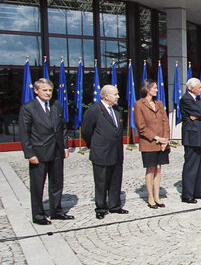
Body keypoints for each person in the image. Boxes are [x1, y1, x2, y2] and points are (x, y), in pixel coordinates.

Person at [18, 78, 73, 225]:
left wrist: (65, 146)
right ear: (36, 91)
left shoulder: (56, 105)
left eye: (50, 90)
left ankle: (56, 211)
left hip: (56, 151)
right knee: (38, 186)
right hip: (39, 152)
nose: (48, 93)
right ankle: (38, 215)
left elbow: (62, 128)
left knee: (57, 183)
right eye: (44, 90)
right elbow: (24, 133)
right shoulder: (28, 108)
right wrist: (29, 154)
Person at [82, 84, 127, 220]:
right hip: (101, 152)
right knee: (101, 181)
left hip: (116, 151)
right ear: (106, 96)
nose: (118, 96)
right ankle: (101, 207)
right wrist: (94, 145)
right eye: (115, 94)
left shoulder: (117, 110)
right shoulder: (94, 110)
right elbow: (86, 131)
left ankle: (115, 206)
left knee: (115, 179)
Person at [133, 79, 170, 209]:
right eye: (154, 88)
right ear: (147, 89)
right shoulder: (139, 105)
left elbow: (165, 121)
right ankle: (150, 197)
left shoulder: (159, 103)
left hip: (162, 143)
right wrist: (157, 138)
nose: (157, 90)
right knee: (150, 169)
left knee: (159, 169)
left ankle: (157, 196)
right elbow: (141, 126)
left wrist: (165, 139)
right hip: (149, 142)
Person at [179, 77, 201, 204]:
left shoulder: (197, 99)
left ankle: (198, 191)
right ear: (191, 88)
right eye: (199, 87)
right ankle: (187, 194)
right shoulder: (186, 99)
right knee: (191, 165)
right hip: (192, 136)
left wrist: (199, 116)